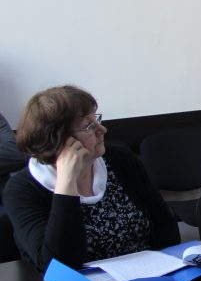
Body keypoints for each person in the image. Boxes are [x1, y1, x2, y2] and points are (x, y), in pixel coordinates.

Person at [2, 86, 180, 271]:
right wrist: (67, 181)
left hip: (147, 275)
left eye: (96, 120)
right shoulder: (22, 189)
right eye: (89, 126)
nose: (102, 129)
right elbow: (59, 265)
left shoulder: (121, 160)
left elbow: (166, 228)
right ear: (58, 140)